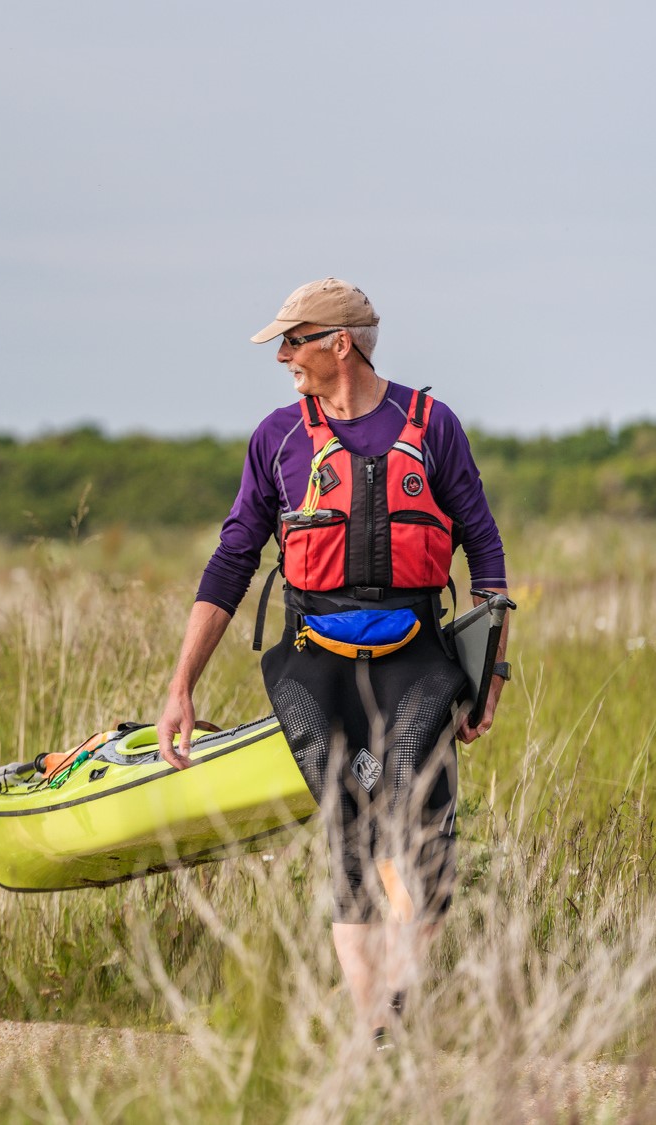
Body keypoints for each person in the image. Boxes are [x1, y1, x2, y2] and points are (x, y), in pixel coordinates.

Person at [155, 278, 512, 1048]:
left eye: (293, 341)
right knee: (348, 831)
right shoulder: (278, 439)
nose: (283, 357)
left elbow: (485, 552)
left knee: (420, 833)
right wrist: (180, 684)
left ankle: (404, 993)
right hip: (311, 661)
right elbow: (229, 564)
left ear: (337, 344)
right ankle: (372, 1023)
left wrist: (491, 678)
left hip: (416, 658)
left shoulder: (433, 427)